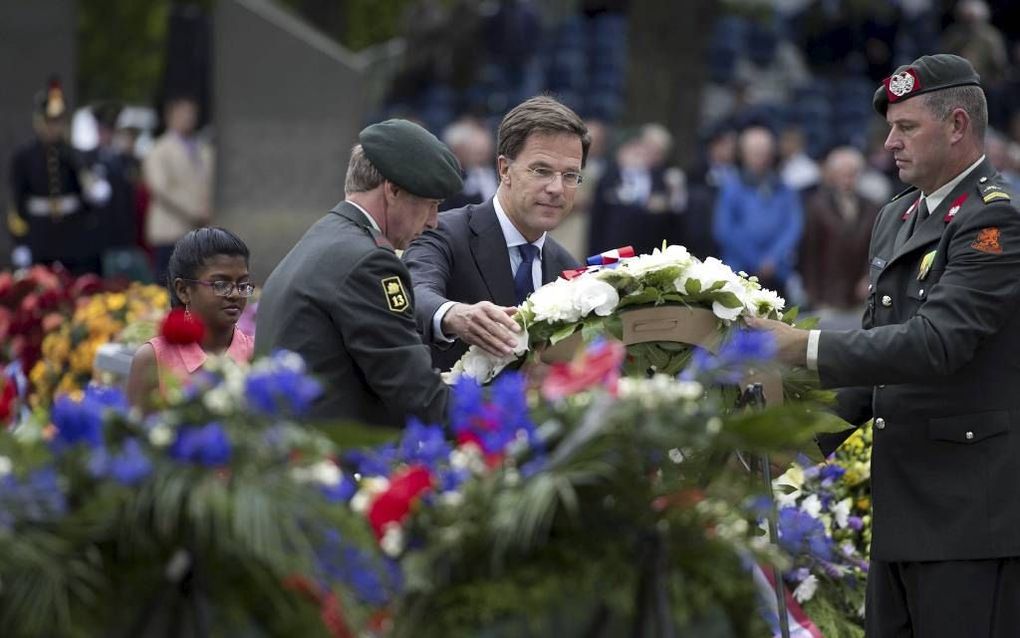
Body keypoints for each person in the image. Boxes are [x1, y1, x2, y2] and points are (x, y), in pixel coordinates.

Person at [750, 54, 1020, 636]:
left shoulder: (996, 221)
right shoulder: (898, 215)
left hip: (970, 516)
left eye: (906, 127)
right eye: (889, 127)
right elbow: (879, 355)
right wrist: (795, 445)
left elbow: (936, 344)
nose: (888, 143)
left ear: (956, 125)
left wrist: (801, 347)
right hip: (904, 513)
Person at [254, 119, 462, 427]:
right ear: (392, 190)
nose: (434, 221)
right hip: (334, 457)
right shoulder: (369, 263)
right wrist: (506, 417)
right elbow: (415, 393)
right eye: (430, 205)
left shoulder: (329, 236)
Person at [402, 96, 585, 372]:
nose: (557, 188)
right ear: (504, 169)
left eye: (570, 175)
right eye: (541, 170)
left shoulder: (569, 270)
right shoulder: (444, 233)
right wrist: (453, 314)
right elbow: (413, 292)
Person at [126, 227, 255, 410]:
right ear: (183, 290)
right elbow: (135, 433)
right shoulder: (153, 359)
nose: (235, 294)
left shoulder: (256, 356)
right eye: (221, 284)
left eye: (242, 284)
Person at [8, 78, 107, 274]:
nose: (53, 127)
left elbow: (88, 196)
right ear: (38, 121)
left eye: (57, 121)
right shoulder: (24, 157)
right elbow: (17, 202)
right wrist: (20, 242)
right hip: (39, 236)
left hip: (73, 236)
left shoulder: (75, 154)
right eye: (48, 121)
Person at [712, 125, 804, 294]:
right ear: (743, 154)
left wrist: (772, 259)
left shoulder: (784, 189)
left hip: (777, 274)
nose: (761, 157)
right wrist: (755, 260)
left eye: (765, 152)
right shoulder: (731, 188)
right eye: (755, 152)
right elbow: (725, 230)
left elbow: (793, 226)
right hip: (738, 273)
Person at [143, 96, 214, 280]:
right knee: (168, 285)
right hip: (170, 230)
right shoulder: (159, 150)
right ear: (171, 117)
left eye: (192, 114)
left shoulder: (203, 149)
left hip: (198, 232)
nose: (188, 119)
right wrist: (195, 211)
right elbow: (161, 188)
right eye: (184, 114)